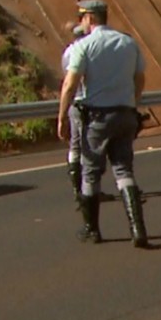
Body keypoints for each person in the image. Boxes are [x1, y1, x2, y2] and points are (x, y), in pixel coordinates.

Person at [57, 0, 148, 248]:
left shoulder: (84, 46)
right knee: (124, 170)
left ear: (89, 18)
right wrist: (131, 103)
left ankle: (92, 229)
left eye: (82, 18)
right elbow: (139, 78)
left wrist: (62, 115)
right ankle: (138, 229)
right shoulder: (128, 43)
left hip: (96, 117)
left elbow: (70, 83)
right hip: (125, 114)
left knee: (91, 172)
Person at [61, 19, 88, 201]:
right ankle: (87, 189)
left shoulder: (67, 53)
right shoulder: (84, 52)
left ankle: (77, 188)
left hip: (73, 102)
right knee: (88, 146)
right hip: (85, 101)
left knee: (75, 145)